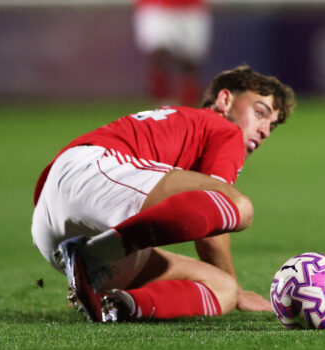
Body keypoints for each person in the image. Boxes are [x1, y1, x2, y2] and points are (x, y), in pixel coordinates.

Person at [31, 64, 295, 323]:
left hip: (52, 229)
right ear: (225, 99)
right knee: (239, 205)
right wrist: (240, 293)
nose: (264, 131)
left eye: (271, 126)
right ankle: (94, 255)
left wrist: (234, 292)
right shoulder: (224, 129)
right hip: (92, 173)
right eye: (260, 113)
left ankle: (114, 304)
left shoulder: (180, 124)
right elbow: (213, 232)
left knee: (222, 288)